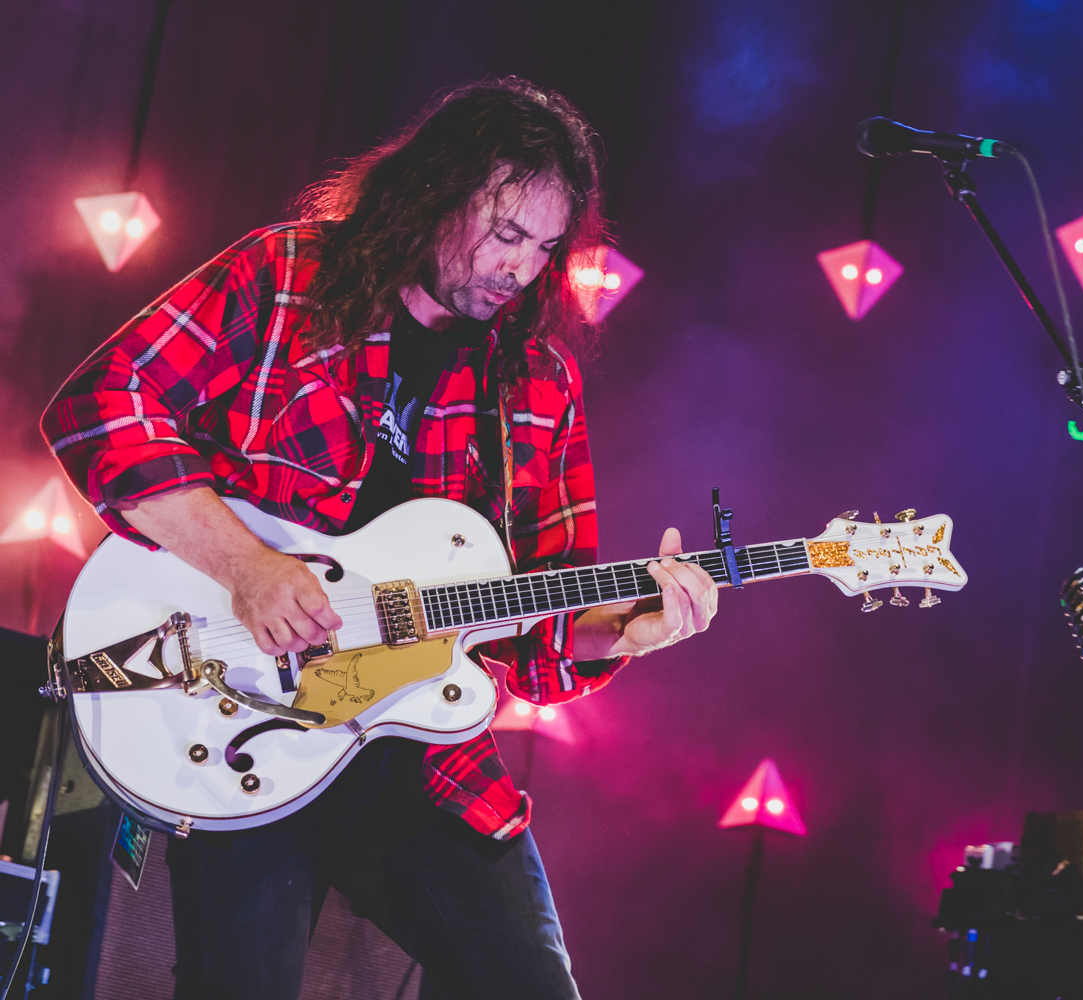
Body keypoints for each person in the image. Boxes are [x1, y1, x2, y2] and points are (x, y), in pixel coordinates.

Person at [42, 77, 717, 999]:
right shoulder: (287, 277)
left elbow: (534, 628)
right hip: (249, 715)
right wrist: (247, 568)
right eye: (505, 233)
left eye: (544, 248)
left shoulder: (537, 381)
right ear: (434, 190)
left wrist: (631, 629)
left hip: (418, 754)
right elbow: (100, 407)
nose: (520, 271)